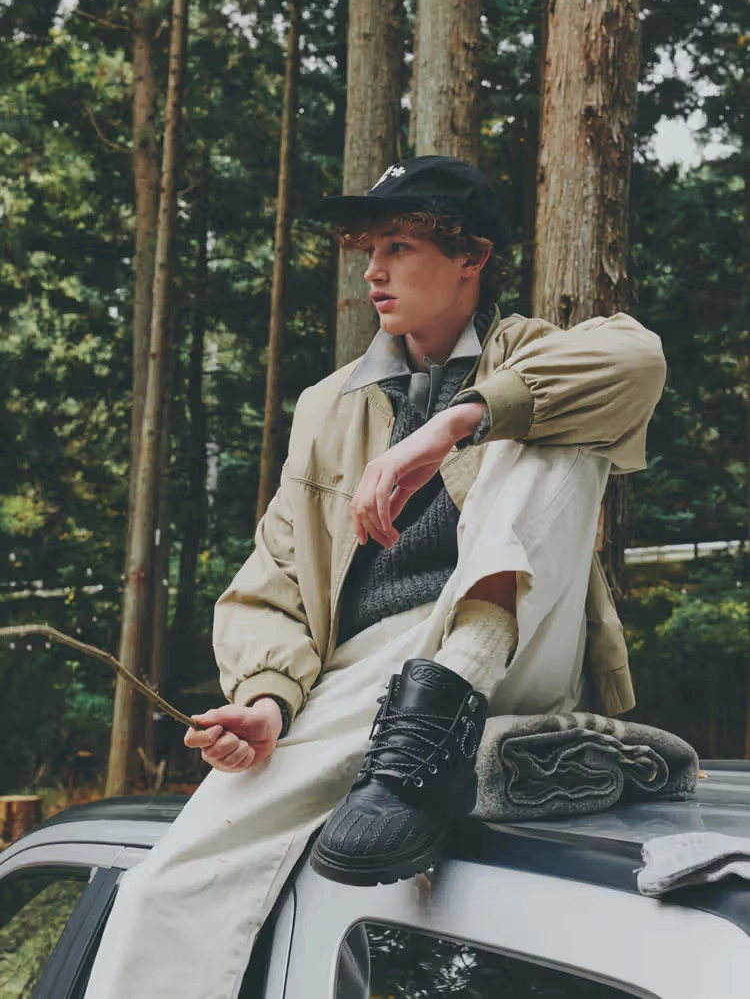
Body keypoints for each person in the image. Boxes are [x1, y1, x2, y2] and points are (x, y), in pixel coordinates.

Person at [84, 156, 666, 999]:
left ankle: (443, 700)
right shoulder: (329, 405)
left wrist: (458, 423)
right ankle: (418, 736)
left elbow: (638, 362)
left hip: (505, 644)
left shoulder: (531, 353)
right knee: (163, 892)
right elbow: (275, 575)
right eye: (368, 247)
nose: (373, 270)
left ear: (472, 257)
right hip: (360, 679)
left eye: (399, 244)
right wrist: (270, 698)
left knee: (561, 431)